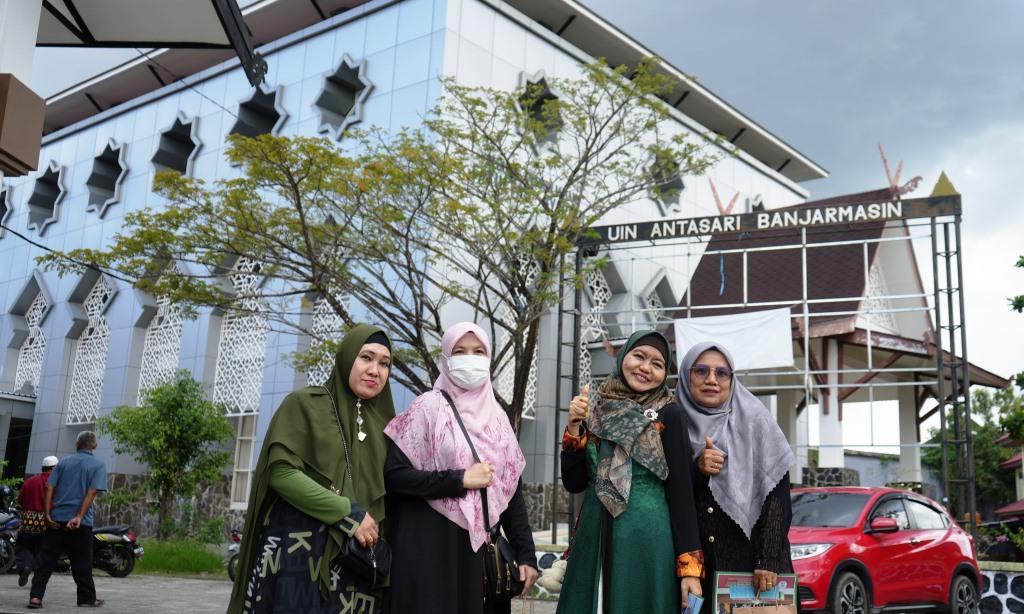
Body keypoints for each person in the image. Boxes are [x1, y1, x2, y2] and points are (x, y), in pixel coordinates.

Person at [227, 324, 396, 614]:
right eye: (366, 358)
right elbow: (282, 475)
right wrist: (350, 512)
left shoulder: (388, 427)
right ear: (346, 359)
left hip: (357, 565)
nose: (374, 370)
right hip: (299, 556)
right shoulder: (306, 405)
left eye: (384, 363)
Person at [383, 322, 538, 614]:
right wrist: (460, 479)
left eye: (478, 351)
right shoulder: (426, 408)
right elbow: (395, 476)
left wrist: (526, 555)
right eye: (460, 351)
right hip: (429, 547)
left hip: (480, 552)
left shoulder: (499, 420)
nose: (470, 358)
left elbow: (509, 490)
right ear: (446, 358)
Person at [556, 330, 704, 614]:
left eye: (657, 364)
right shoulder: (597, 410)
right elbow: (574, 482)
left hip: (647, 543)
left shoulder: (669, 415)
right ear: (624, 357)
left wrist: (690, 567)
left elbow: (681, 494)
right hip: (594, 537)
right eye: (639, 356)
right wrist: (574, 426)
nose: (645, 367)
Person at [675, 341, 796, 613]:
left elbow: (777, 498)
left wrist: (767, 559)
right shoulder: (671, 424)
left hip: (751, 568)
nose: (711, 380)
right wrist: (697, 469)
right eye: (701, 371)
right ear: (686, 376)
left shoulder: (757, 420)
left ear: (732, 379)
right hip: (696, 569)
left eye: (721, 373)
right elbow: (669, 497)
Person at [30, 432, 107, 609]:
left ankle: (35, 597)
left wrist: (47, 514)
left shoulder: (63, 463)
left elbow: (49, 487)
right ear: (94, 446)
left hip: (56, 520)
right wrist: (79, 516)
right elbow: (92, 492)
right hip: (81, 523)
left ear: (76, 444)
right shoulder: (98, 465)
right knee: (82, 563)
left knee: (46, 561)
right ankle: (87, 599)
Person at [16, 455, 59, 587]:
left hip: (28, 520)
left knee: (25, 546)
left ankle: (25, 566)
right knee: (42, 550)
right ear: (53, 468)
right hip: (47, 520)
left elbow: (20, 500)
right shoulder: (56, 483)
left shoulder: (30, 481)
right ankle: (37, 576)